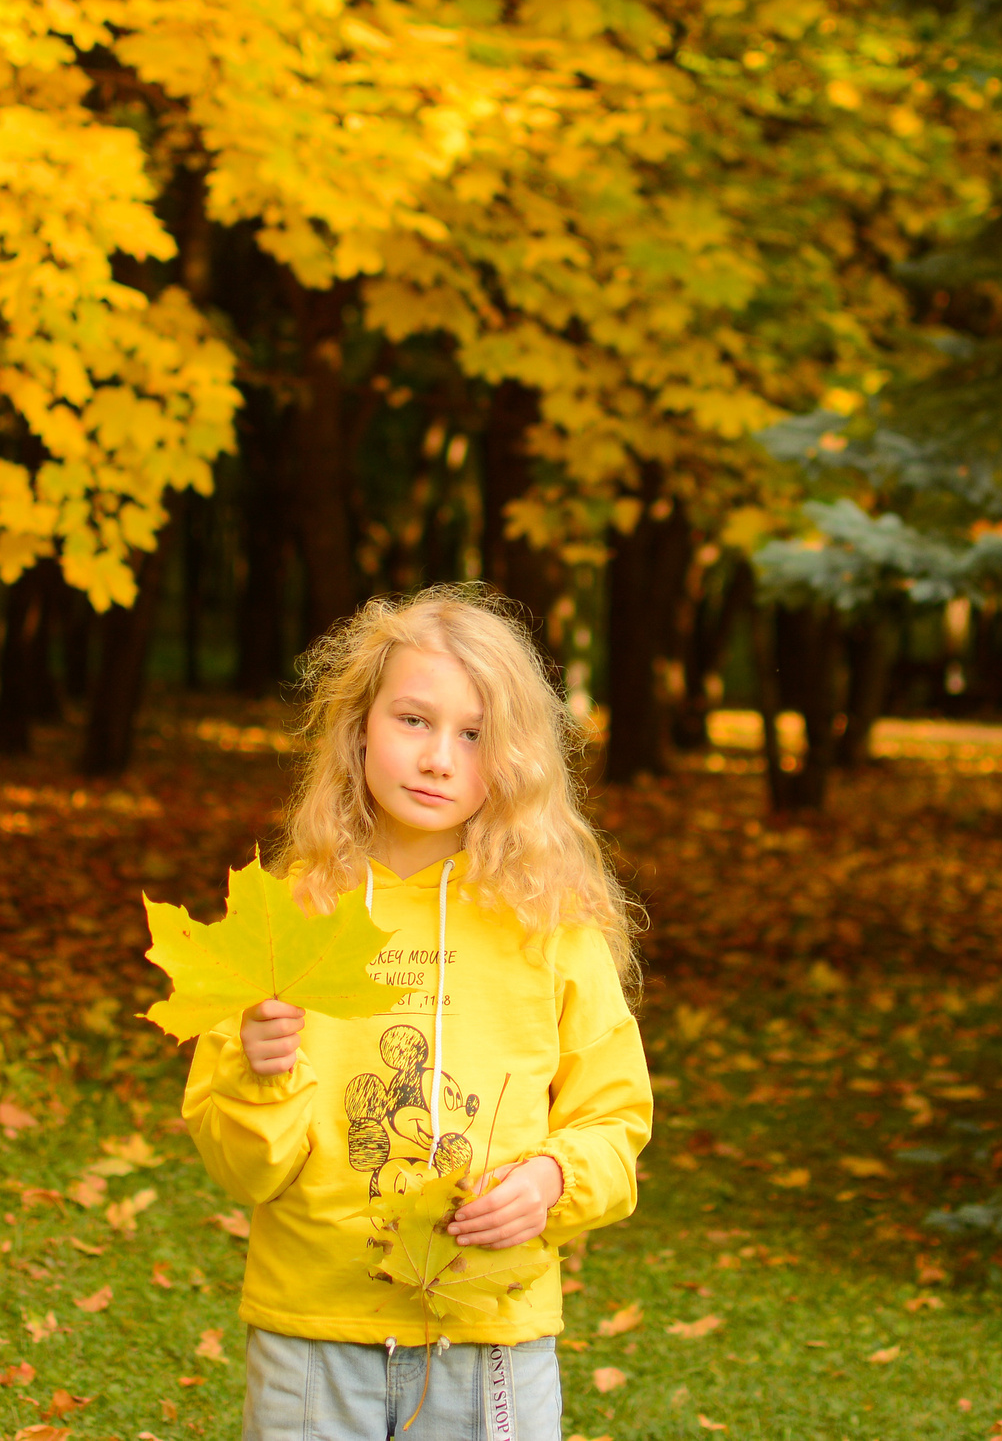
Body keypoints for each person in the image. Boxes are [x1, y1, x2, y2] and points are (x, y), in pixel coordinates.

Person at [182, 586, 653, 1441]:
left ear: (515, 756)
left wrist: (551, 1181)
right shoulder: (290, 912)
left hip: (489, 1323)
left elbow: (615, 1121)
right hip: (312, 1331)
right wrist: (259, 1072)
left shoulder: (550, 920)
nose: (439, 757)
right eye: (413, 720)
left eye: (474, 734)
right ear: (359, 726)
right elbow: (243, 1169)